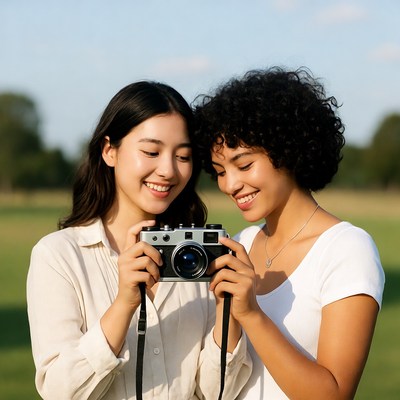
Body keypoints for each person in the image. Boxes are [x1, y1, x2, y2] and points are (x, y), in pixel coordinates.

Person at [27, 81, 251, 400]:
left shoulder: (199, 255)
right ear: (109, 150)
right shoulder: (59, 255)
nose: (168, 170)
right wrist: (124, 304)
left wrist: (230, 313)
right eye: (151, 151)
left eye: (184, 156)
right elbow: (59, 392)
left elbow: (216, 393)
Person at [193, 67, 385, 399]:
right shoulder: (240, 244)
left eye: (244, 165)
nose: (230, 185)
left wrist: (251, 315)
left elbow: (334, 394)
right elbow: (216, 387)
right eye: (220, 171)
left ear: (288, 150)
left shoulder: (347, 249)